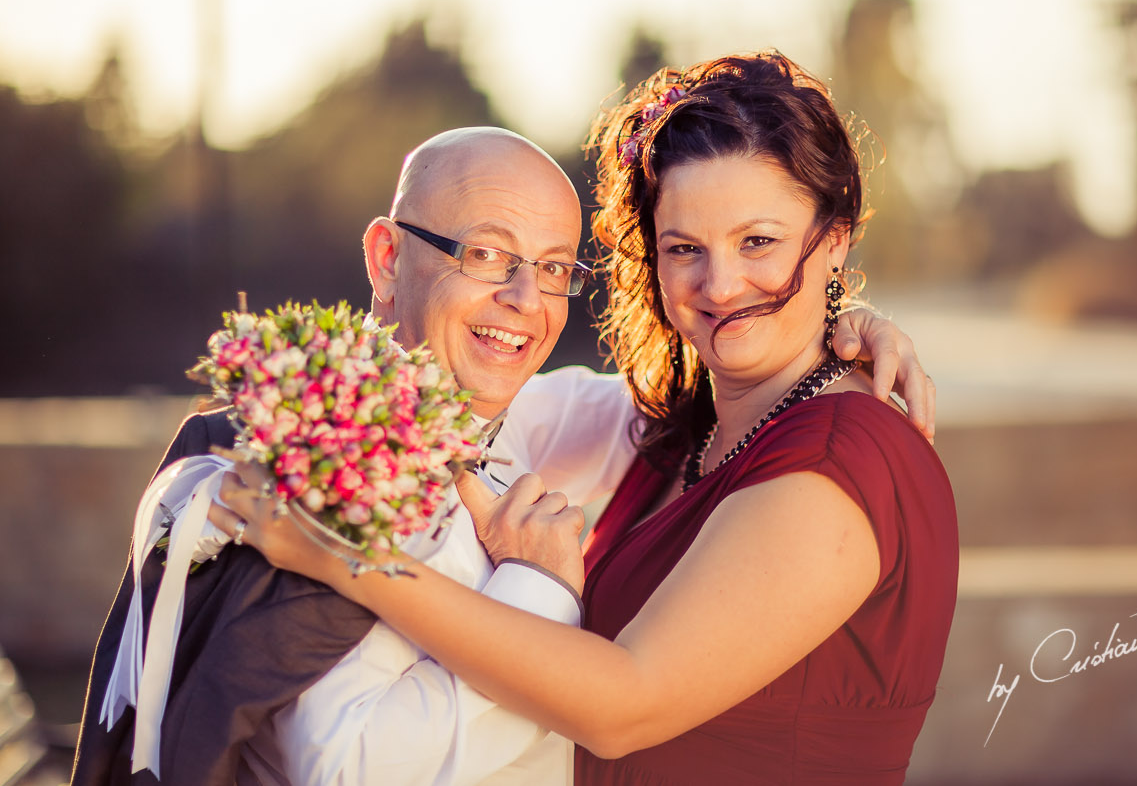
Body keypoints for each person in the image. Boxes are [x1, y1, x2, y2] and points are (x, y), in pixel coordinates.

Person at [73, 126, 935, 785]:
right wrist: (539, 587)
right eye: (486, 255)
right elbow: (347, 769)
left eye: (555, 269)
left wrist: (834, 329)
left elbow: (718, 411)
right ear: (386, 258)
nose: (525, 301)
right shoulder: (309, 480)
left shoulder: (537, 420)